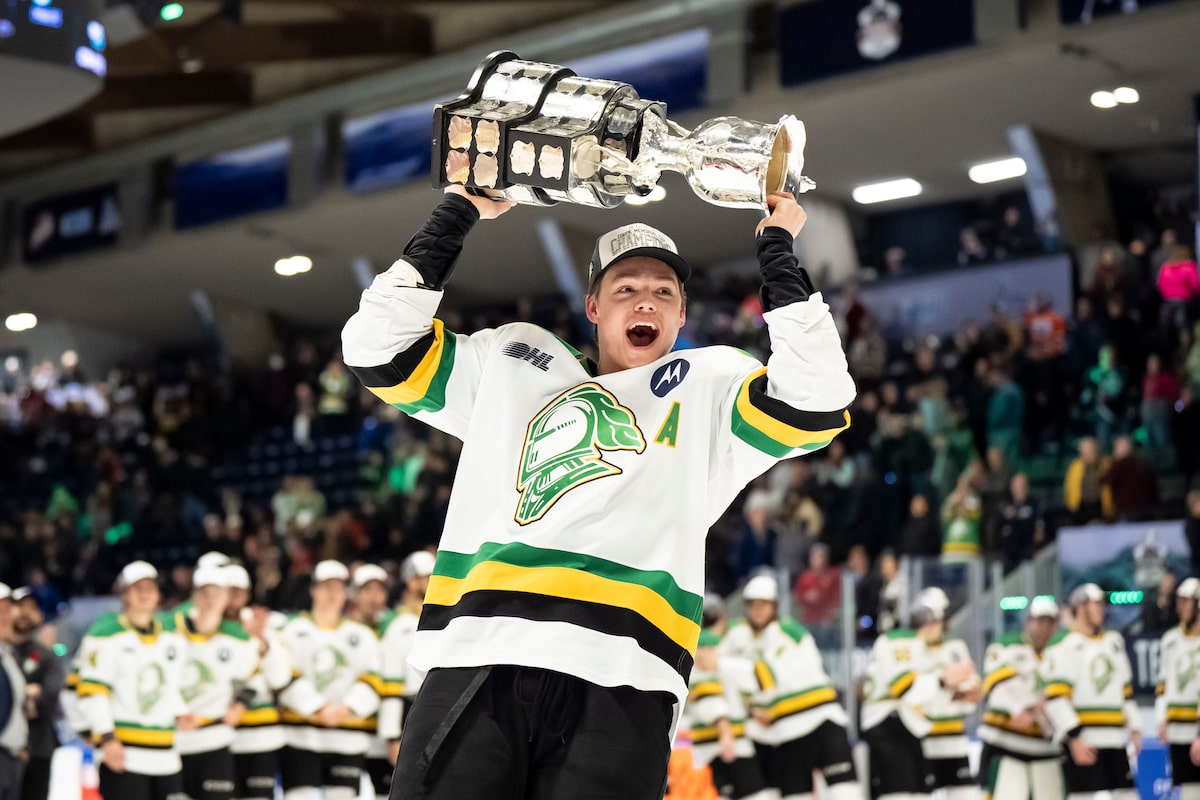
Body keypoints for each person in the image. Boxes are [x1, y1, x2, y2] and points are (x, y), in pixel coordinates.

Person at [341, 183, 855, 800]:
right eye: (627, 288)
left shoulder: (712, 390)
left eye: (664, 292)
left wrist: (777, 254)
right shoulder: (513, 361)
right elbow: (376, 346)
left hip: (624, 680)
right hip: (478, 657)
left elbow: (818, 397)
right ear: (593, 307)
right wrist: (458, 211)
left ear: (682, 315)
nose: (647, 301)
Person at [720, 575, 861, 800]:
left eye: (763, 604)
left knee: (845, 793)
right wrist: (750, 710)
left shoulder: (788, 633)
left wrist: (718, 663)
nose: (757, 610)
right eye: (752, 604)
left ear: (774, 606)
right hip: (786, 733)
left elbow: (765, 680)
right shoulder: (741, 637)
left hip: (821, 722)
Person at [77, 561, 193, 800]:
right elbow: (93, 692)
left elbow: (170, 687)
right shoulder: (106, 633)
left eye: (150, 587)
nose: (144, 594)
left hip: (166, 756)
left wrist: (181, 711)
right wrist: (107, 738)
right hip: (125, 755)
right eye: (137, 588)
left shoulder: (172, 636)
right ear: (124, 594)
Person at [276, 560, 382, 800]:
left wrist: (346, 707)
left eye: (338, 587)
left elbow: (374, 678)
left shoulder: (362, 635)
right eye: (326, 587)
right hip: (300, 737)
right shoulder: (290, 629)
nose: (332, 594)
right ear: (313, 590)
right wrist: (318, 707)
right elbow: (284, 675)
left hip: (347, 738)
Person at [861, 588, 975, 800]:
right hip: (888, 725)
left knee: (920, 794)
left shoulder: (920, 646)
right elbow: (904, 688)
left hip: (909, 729)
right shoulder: (900, 641)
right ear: (933, 619)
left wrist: (954, 692)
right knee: (900, 795)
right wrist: (944, 680)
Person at [1041, 583, 1140, 800]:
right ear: (1078, 608)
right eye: (1092, 604)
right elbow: (1056, 698)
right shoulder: (1064, 645)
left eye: (1100, 604)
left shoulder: (1113, 642)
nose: (1099, 610)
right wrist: (1074, 737)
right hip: (1085, 739)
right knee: (1082, 796)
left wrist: (1135, 725)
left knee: (1126, 794)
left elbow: (1125, 691)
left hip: (1114, 738)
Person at [170, 564, 261, 800]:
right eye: (205, 593)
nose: (211, 600)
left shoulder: (238, 638)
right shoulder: (169, 633)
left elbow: (253, 677)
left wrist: (239, 705)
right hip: (174, 743)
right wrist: (178, 712)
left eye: (217, 594)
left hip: (215, 742)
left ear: (226, 599)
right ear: (195, 597)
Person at [977, 596, 1065, 800]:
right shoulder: (1008, 645)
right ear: (1028, 622)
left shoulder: (1060, 653)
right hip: (1005, 744)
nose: (1044, 628)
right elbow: (997, 684)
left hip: (1046, 749)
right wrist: (1023, 708)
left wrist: (1038, 711)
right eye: (1040, 621)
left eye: (1050, 622)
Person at [224, 564, 292, 800]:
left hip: (262, 737)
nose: (233, 598)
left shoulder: (264, 625)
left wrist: (261, 642)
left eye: (239, 591)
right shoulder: (207, 628)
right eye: (228, 590)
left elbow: (279, 679)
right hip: (222, 736)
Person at [683, 630, 769, 800]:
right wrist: (726, 734)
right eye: (699, 650)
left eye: (707, 649)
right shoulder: (699, 677)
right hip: (722, 749)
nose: (702, 655)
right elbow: (713, 706)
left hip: (729, 747)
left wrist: (753, 711)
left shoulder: (720, 672)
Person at [914, 588, 981, 800]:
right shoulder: (912, 649)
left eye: (938, 617)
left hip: (955, 740)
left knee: (966, 794)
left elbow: (970, 692)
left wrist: (946, 693)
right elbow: (913, 695)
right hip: (924, 742)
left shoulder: (955, 647)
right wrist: (947, 690)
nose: (935, 623)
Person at [347, 563, 406, 800]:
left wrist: (394, 735)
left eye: (380, 590)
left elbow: (397, 687)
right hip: (348, 730)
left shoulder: (396, 628)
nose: (374, 597)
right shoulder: (342, 629)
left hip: (381, 737)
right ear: (355, 594)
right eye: (367, 590)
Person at [11, 587, 64, 800]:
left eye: (31, 607)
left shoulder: (48, 656)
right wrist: (28, 693)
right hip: (6, 748)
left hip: (39, 746)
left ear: (40, 616)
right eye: (19, 606)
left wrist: (28, 699)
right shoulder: (4, 653)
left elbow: (49, 697)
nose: (24, 612)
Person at [1154, 577, 1200, 799]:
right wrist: (1161, 717)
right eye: (1179, 600)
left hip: (1198, 727)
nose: (1180, 606)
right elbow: (1163, 684)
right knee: (1188, 786)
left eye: (1187, 601)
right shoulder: (1170, 639)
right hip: (1179, 729)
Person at [0, 583, 29, 800]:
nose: (8, 617)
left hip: (10, 759)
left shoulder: (7, 654)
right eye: (1, 611)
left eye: (9, 610)